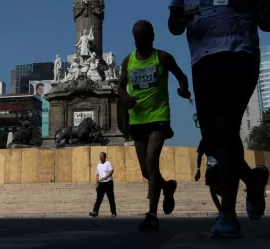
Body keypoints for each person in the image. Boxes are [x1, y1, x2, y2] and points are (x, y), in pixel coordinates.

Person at [168, 0, 270, 238]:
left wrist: (264, 12)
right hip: (203, 60)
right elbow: (173, 26)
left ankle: (228, 213)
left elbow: (268, 20)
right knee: (216, 137)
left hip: (240, 55)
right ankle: (252, 180)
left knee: (227, 127)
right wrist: (185, 17)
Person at [115, 20, 191, 231]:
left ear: (152, 37)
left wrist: (183, 90)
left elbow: (182, 77)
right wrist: (126, 98)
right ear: (134, 39)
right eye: (138, 38)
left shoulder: (163, 57)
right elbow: (119, 87)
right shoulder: (127, 61)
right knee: (146, 171)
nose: (141, 41)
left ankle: (152, 214)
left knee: (151, 159)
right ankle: (167, 187)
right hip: (137, 120)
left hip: (158, 117)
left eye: (145, 37)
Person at [196, 139, 221, 212]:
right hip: (211, 169)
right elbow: (199, 155)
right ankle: (221, 210)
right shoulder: (204, 140)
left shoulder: (218, 137)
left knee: (217, 190)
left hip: (220, 168)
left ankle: (223, 210)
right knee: (213, 191)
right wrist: (198, 169)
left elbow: (199, 155)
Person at [89, 152, 116, 218]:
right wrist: (96, 184)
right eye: (100, 156)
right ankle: (95, 212)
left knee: (111, 198)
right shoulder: (98, 165)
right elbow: (97, 175)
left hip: (108, 182)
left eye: (102, 156)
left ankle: (113, 212)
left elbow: (111, 171)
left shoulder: (108, 163)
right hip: (101, 183)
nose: (100, 157)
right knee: (98, 198)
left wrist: (105, 177)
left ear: (105, 157)